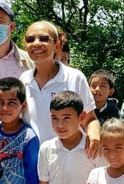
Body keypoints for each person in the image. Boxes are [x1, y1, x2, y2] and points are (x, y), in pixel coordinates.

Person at [19, 21, 100, 156]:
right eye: (30, 39)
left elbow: (90, 119)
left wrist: (94, 136)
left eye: (44, 38)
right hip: (33, 160)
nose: (36, 43)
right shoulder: (24, 80)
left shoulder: (74, 77)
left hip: (71, 158)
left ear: (57, 45)